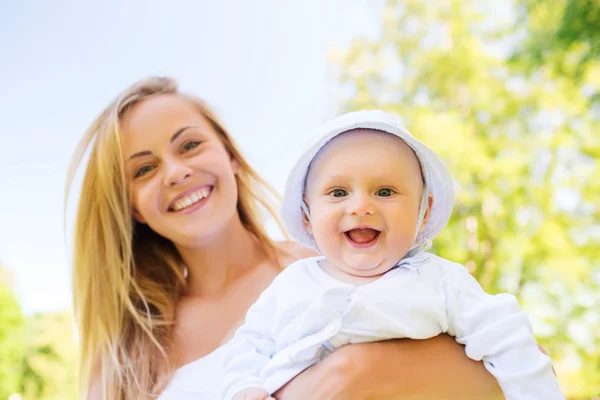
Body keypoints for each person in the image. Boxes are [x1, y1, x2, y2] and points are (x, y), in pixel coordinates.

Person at [67, 77, 510, 400]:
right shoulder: (127, 352)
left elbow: (512, 361)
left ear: (230, 155)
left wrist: (360, 373)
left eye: (189, 146)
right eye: (144, 169)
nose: (176, 172)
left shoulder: (344, 264)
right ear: (130, 206)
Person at [223, 110, 564, 400]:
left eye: (385, 191)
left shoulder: (441, 281)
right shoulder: (292, 284)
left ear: (423, 211)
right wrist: (245, 388)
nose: (360, 207)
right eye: (338, 192)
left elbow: (506, 337)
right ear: (308, 216)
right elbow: (249, 345)